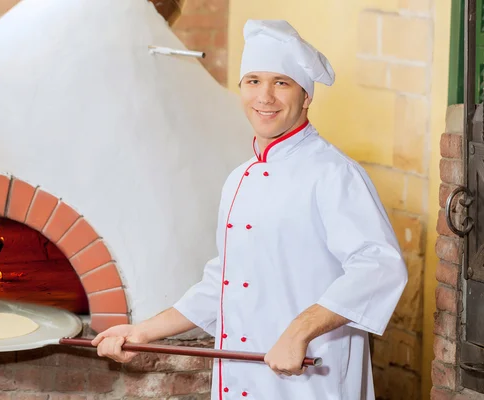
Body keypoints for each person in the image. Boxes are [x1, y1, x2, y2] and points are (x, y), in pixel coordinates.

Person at [91, 19, 408, 399]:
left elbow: (379, 266)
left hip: (311, 383)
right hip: (244, 380)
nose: (265, 97)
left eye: (281, 82)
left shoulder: (334, 174)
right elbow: (223, 284)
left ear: (306, 96)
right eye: (253, 81)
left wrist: (298, 331)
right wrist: (140, 332)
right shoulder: (239, 178)